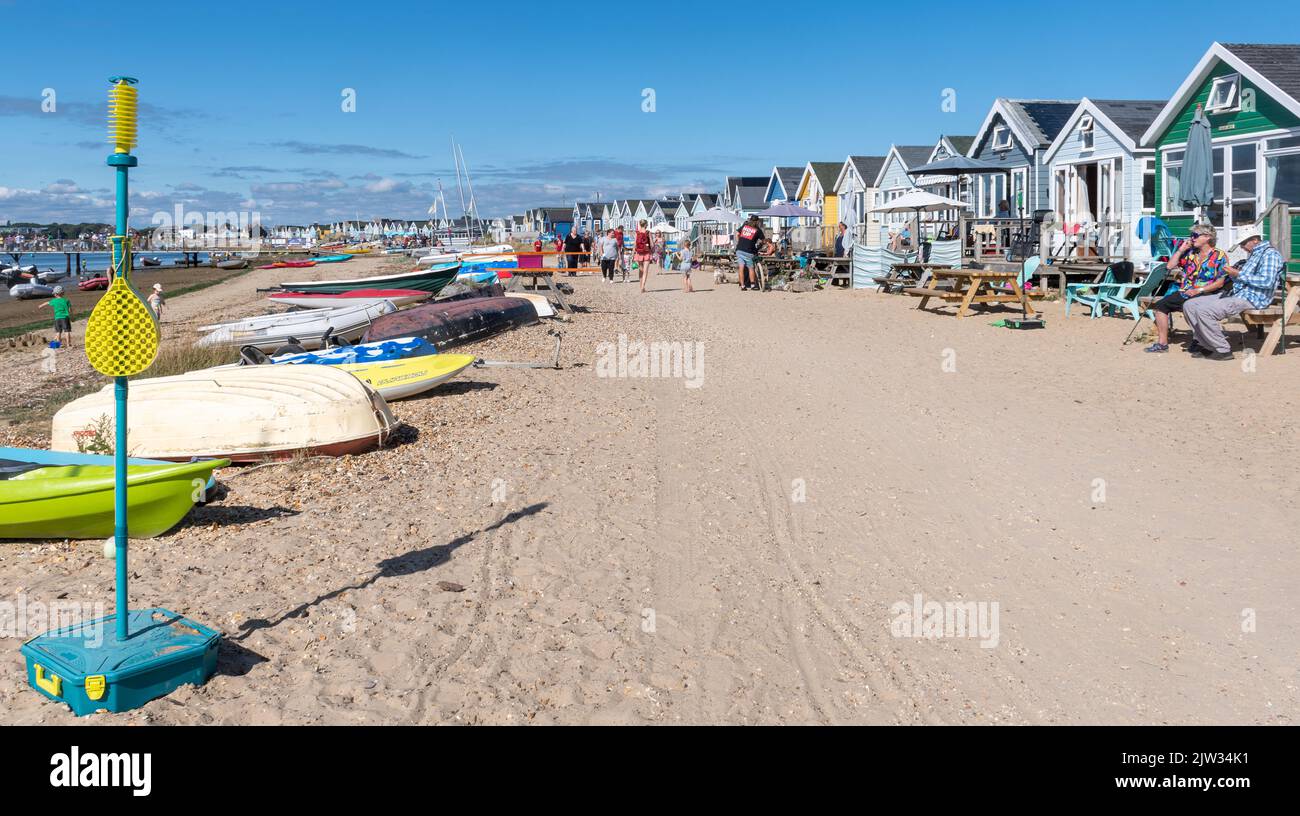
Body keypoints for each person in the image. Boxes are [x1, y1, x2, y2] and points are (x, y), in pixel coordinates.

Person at [1182, 230, 1285, 361]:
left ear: (1255, 240)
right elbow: (1245, 279)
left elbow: (1267, 282)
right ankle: (1207, 345)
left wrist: (1238, 274)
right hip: (1237, 294)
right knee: (1190, 305)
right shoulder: (1254, 254)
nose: (1241, 247)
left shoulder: (1270, 254)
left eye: (1243, 243)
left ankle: (1222, 350)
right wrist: (1232, 273)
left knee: (1204, 311)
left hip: (1253, 298)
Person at [1144, 224, 1227, 353]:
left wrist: (1199, 290)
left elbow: (1220, 283)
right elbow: (1170, 266)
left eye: (1195, 236)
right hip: (1186, 291)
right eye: (1191, 236)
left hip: (1207, 292)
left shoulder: (1220, 256)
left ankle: (1199, 339)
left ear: (1207, 237)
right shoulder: (1190, 253)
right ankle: (1162, 344)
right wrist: (1180, 250)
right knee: (1160, 306)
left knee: (1191, 307)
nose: (1191, 239)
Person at [735, 215, 765, 290]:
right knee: (750, 267)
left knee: (741, 267)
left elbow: (737, 234)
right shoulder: (757, 230)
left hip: (739, 249)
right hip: (749, 251)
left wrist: (740, 242)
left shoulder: (744, 226)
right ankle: (752, 285)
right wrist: (760, 245)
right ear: (757, 221)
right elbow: (763, 240)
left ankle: (742, 286)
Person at [633, 220, 653, 293]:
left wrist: (633, 254)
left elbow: (634, 244)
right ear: (646, 225)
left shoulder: (637, 233)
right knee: (645, 271)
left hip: (639, 253)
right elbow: (652, 244)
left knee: (640, 270)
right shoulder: (648, 232)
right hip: (647, 252)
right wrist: (652, 249)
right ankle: (643, 287)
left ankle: (640, 285)